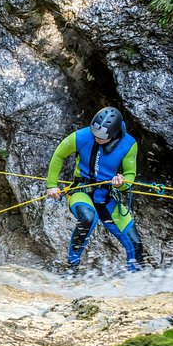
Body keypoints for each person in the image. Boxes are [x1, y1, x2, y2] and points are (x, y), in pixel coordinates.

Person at [45, 106, 144, 273]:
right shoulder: (81, 136)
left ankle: (137, 279)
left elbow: (130, 176)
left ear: (113, 133)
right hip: (81, 191)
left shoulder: (129, 145)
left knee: (136, 243)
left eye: (102, 136)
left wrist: (122, 184)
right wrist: (52, 185)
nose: (97, 137)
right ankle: (71, 270)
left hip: (107, 197)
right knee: (88, 218)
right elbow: (59, 154)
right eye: (95, 133)